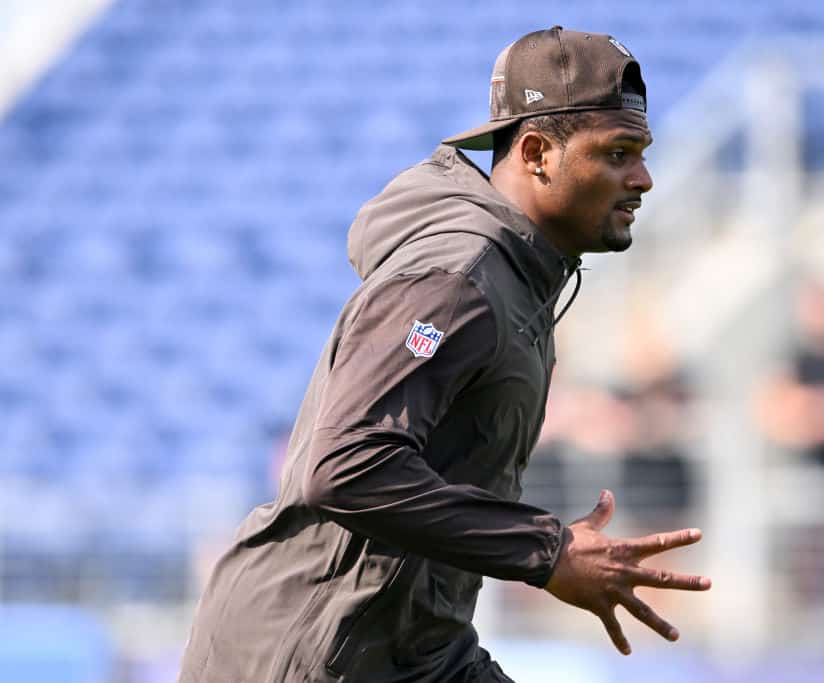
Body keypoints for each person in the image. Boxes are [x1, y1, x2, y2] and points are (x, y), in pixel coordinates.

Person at [178, 26, 710, 683]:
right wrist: (547, 550)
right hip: (307, 653)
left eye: (643, 151)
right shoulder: (458, 277)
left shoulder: (521, 278)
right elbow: (344, 465)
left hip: (412, 649)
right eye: (619, 152)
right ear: (540, 153)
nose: (644, 178)